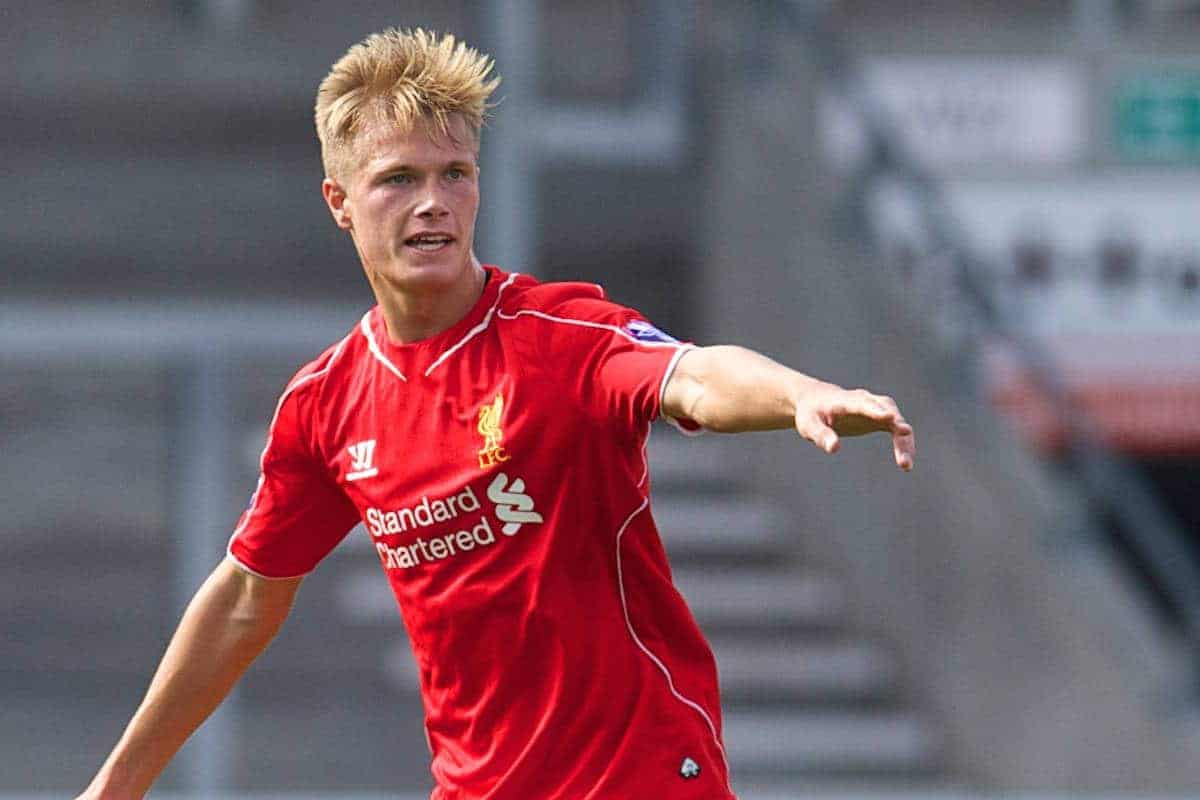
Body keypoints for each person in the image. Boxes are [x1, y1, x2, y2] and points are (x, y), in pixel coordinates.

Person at [78, 28, 915, 800]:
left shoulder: (559, 336)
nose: (433, 202)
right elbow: (244, 599)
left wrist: (798, 393)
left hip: (643, 778)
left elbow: (693, 378)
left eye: (455, 174)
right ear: (339, 201)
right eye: (399, 179)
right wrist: (116, 786)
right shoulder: (327, 406)